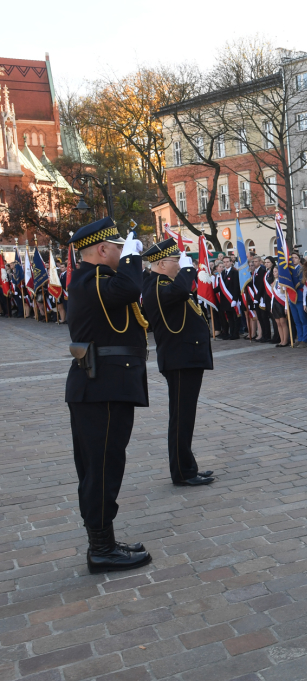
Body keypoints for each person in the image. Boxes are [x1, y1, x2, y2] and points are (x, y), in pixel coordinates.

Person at [65, 217, 152, 573]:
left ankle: (104, 539)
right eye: (117, 248)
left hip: (104, 385)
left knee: (104, 465)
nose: (122, 254)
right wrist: (132, 259)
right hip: (101, 387)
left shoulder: (96, 280)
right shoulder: (93, 280)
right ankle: (100, 550)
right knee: (102, 467)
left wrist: (127, 257)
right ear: (103, 250)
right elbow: (130, 290)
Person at [141, 238, 216, 488]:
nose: (179, 265)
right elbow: (182, 291)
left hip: (185, 358)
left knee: (184, 416)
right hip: (180, 359)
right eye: (175, 261)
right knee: (182, 417)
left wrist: (182, 269)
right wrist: (188, 269)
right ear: (162, 263)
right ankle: (183, 472)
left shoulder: (162, 283)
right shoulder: (157, 285)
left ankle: (187, 466)